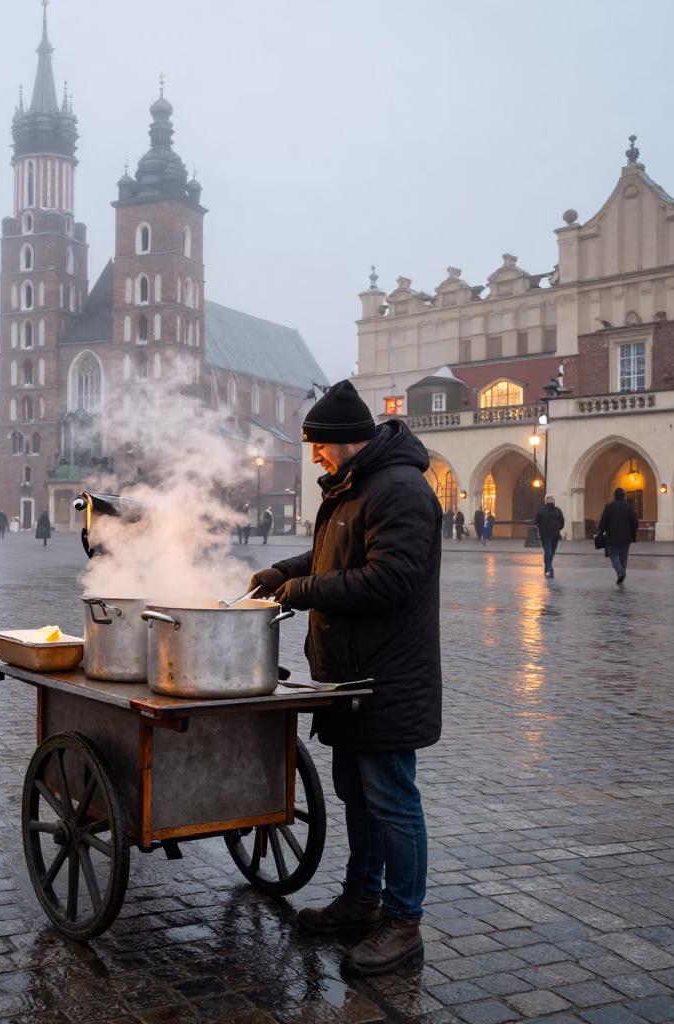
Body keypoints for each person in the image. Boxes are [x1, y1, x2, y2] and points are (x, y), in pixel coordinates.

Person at [250, 380, 440, 977]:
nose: (314, 457)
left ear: (346, 441)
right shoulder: (354, 487)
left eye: (319, 447)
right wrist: (285, 569)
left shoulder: (402, 490)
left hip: (386, 676)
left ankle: (403, 923)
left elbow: (390, 579)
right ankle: (362, 901)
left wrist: (304, 590)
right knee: (358, 796)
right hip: (349, 677)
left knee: (392, 801)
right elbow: (337, 556)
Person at [598, 487, 638, 585]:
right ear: (623, 496)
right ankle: (622, 573)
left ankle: (620, 572)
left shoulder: (609, 507)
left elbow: (603, 522)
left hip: (612, 537)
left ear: (614, 496)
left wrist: (601, 531)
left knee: (613, 556)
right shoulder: (628, 507)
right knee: (623, 557)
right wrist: (633, 532)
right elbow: (635, 523)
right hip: (626, 537)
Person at [533, 494, 565, 578]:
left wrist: (540, 528)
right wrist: (557, 528)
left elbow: (536, 522)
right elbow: (562, 523)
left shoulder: (542, 510)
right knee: (550, 552)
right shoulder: (556, 510)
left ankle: (547, 569)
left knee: (550, 553)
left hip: (547, 535)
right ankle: (549, 571)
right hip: (551, 535)